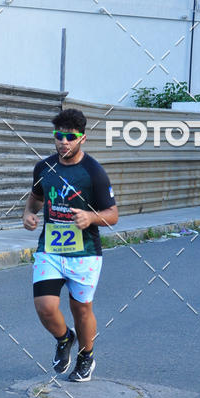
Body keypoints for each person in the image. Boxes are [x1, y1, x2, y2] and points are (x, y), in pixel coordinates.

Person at [22, 108, 118, 382]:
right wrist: (29, 214)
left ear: (82, 139)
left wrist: (90, 216)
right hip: (50, 250)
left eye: (70, 137)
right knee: (45, 306)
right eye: (58, 136)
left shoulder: (94, 173)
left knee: (81, 310)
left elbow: (113, 215)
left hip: (84, 253)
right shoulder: (44, 167)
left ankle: (86, 356)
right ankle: (64, 339)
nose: (63, 142)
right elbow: (36, 198)